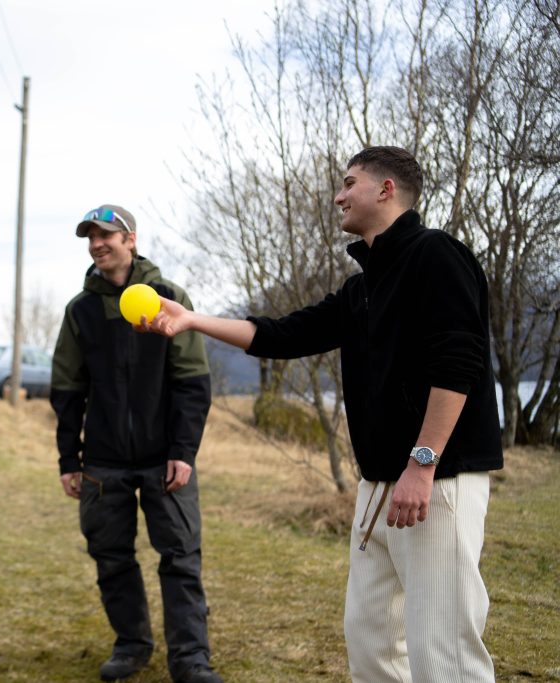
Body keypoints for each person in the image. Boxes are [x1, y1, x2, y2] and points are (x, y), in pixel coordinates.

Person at [143, 147, 503, 683]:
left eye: (349, 182)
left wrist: (422, 463)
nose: (338, 194)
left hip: (434, 481)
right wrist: (192, 319)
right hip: (378, 485)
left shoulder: (437, 255)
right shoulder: (362, 287)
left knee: (444, 652)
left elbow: (459, 364)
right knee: (371, 642)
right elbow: (282, 334)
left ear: (386, 190)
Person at [51, 204, 223, 683]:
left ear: (131, 239)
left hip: (163, 458)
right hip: (103, 462)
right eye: (90, 237)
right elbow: (66, 389)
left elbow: (192, 381)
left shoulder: (168, 297)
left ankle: (190, 659)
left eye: (106, 235)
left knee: (180, 558)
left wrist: (183, 452)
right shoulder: (80, 311)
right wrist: (70, 458)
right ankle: (131, 645)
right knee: (111, 557)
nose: (97, 244)